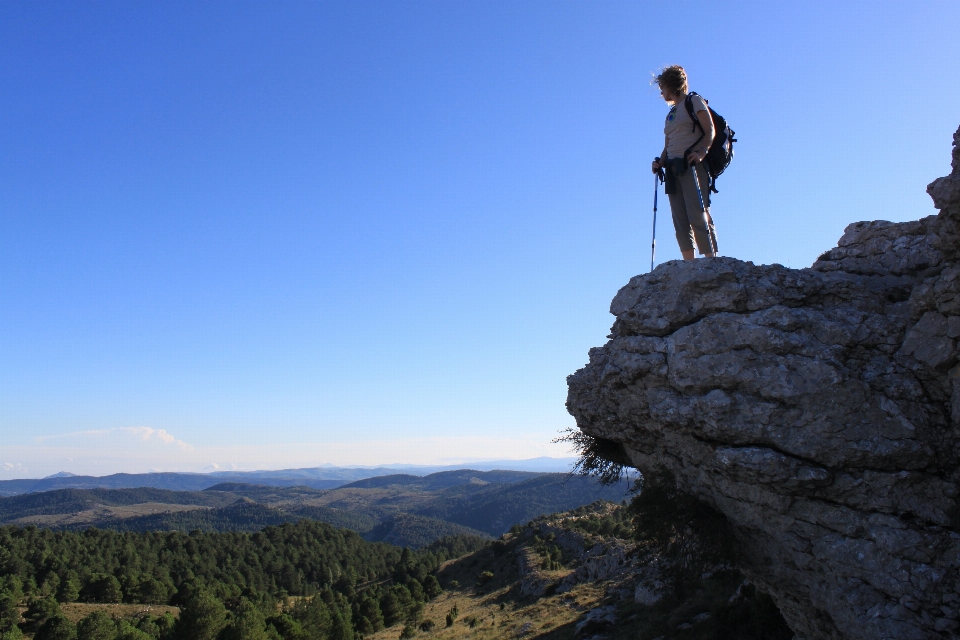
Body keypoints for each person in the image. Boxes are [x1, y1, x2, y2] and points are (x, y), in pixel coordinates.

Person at [651, 65, 718, 260]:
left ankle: (711, 260)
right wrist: (659, 162)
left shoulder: (694, 101)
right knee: (679, 219)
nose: (661, 91)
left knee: (698, 212)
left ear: (672, 84)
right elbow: (668, 145)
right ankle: (689, 264)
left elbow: (710, 130)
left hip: (692, 164)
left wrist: (702, 152)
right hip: (673, 169)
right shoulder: (670, 114)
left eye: (662, 86)